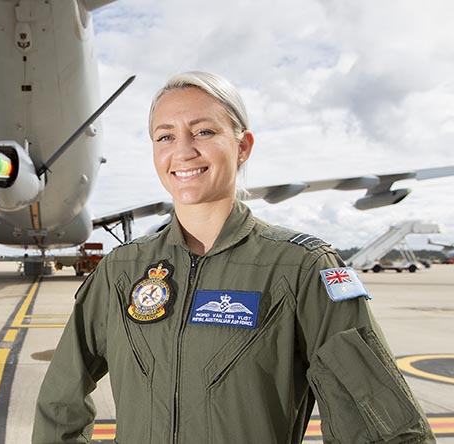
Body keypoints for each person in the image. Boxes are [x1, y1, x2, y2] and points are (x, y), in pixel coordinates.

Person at [32, 71, 435, 443]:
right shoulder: (122, 270)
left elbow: (382, 425)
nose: (183, 151)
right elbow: (59, 403)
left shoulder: (302, 268)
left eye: (203, 131)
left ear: (242, 147)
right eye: (165, 136)